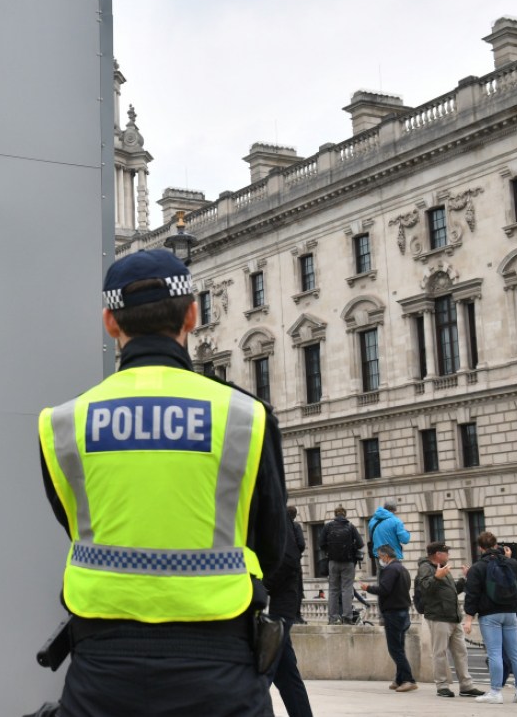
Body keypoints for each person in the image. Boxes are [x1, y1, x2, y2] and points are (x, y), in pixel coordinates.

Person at [36, 248, 287, 717]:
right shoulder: (244, 416)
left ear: (110, 322)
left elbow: (76, 525)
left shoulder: (64, 423)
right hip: (220, 666)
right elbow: (273, 546)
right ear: (191, 314)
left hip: (101, 668)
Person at [462, 532, 517, 704]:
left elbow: (472, 594)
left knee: (495, 654)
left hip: (490, 614)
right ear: (496, 544)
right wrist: (510, 559)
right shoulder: (511, 563)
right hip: (511, 613)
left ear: (480, 547)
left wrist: (469, 618)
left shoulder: (478, 567)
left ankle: (495, 692)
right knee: (515, 653)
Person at [415, 542, 483, 698]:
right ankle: (442, 686)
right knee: (440, 653)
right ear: (438, 554)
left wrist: (464, 580)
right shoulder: (426, 568)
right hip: (439, 616)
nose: (448, 555)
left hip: (453, 616)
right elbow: (424, 588)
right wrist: (437, 578)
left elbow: (452, 591)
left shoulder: (443, 568)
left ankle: (466, 686)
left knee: (461, 652)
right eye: (446, 553)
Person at [265, 508, 312, 717]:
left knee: (260, 672)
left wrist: (260, 587)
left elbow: (289, 557)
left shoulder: (271, 509)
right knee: (285, 673)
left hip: (274, 605)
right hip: (275, 602)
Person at [362, 544, 416, 692]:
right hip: (403, 611)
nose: (380, 560)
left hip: (393, 612)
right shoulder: (402, 569)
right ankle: (399, 679)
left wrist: (368, 588)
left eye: (380, 557)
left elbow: (384, 589)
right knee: (399, 647)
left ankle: (408, 679)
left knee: (395, 649)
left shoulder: (390, 569)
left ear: (385, 556)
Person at [318, 506, 363, 625]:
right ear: (345, 514)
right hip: (348, 563)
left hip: (332, 562)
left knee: (333, 590)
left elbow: (320, 543)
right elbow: (360, 544)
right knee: (347, 589)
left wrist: (330, 550)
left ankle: (333, 618)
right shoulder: (351, 526)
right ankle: (347, 617)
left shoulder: (328, 526)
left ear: (335, 514)